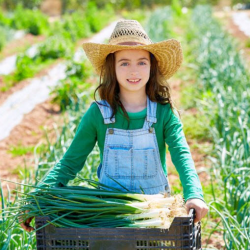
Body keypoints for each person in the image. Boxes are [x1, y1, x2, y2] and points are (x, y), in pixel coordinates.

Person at [21, 19, 208, 232]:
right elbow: (69, 163)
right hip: (110, 218)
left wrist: (194, 194)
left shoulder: (164, 113)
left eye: (142, 62)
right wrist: (35, 199)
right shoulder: (98, 114)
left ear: (152, 66)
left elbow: (181, 155)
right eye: (124, 63)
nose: (134, 71)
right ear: (113, 67)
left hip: (157, 215)